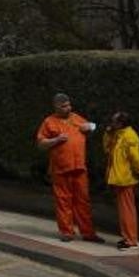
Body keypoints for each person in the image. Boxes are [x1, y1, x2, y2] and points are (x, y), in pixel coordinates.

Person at [36, 93, 104, 243]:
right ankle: (67, 232)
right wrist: (56, 140)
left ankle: (88, 233)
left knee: (83, 201)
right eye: (64, 106)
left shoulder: (76, 118)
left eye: (69, 105)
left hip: (79, 168)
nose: (68, 108)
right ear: (56, 107)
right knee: (63, 201)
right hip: (60, 169)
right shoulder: (49, 122)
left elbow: (91, 127)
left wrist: (90, 126)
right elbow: (41, 144)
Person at [104, 111, 139, 250]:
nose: (111, 123)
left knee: (127, 210)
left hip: (125, 179)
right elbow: (107, 148)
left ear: (121, 123)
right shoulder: (118, 134)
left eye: (114, 121)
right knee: (124, 210)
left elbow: (135, 158)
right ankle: (127, 237)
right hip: (119, 178)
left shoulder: (129, 137)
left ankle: (131, 239)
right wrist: (108, 134)